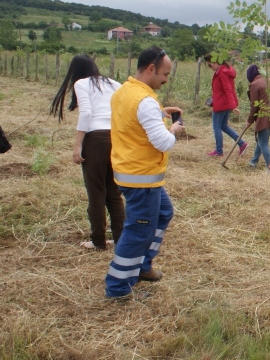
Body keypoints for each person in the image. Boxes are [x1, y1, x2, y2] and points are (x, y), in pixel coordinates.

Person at [105, 46, 184, 299]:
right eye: (164, 74)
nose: (165, 79)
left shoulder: (125, 91)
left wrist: (160, 114)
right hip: (142, 179)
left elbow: (134, 123)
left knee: (163, 213)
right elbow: (162, 142)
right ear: (151, 68)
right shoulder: (145, 100)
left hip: (133, 172)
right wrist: (173, 130)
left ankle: (143, 266)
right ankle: (118, 288)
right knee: (138, 231)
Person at [49, 54, 125, 250]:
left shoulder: (82, 84)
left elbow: (87, 113)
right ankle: (120, 239)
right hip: (116, 139)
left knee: (96, 193)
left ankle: (98, 241)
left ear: (76, 71)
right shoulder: (114, 83)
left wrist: (77, 145)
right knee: (114, 194)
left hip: (95, 140)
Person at [205, 53, 248, 157]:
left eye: (210, 65)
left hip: (222, 104)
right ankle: (242, 144)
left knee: (217, 127)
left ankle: (219, 151)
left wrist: (233, 106)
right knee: (223, 126)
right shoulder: (224, 70)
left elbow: (228, 90)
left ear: (215, 63)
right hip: (224, 103)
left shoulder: (222, 73)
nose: (210, 68)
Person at [245, 64, 270, 172]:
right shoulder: (269, 80)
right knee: (261, 139)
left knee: (263, 142)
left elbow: (254, 105)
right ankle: (253, 161)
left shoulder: (254, 84)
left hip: (265, 115)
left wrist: (249, 120)